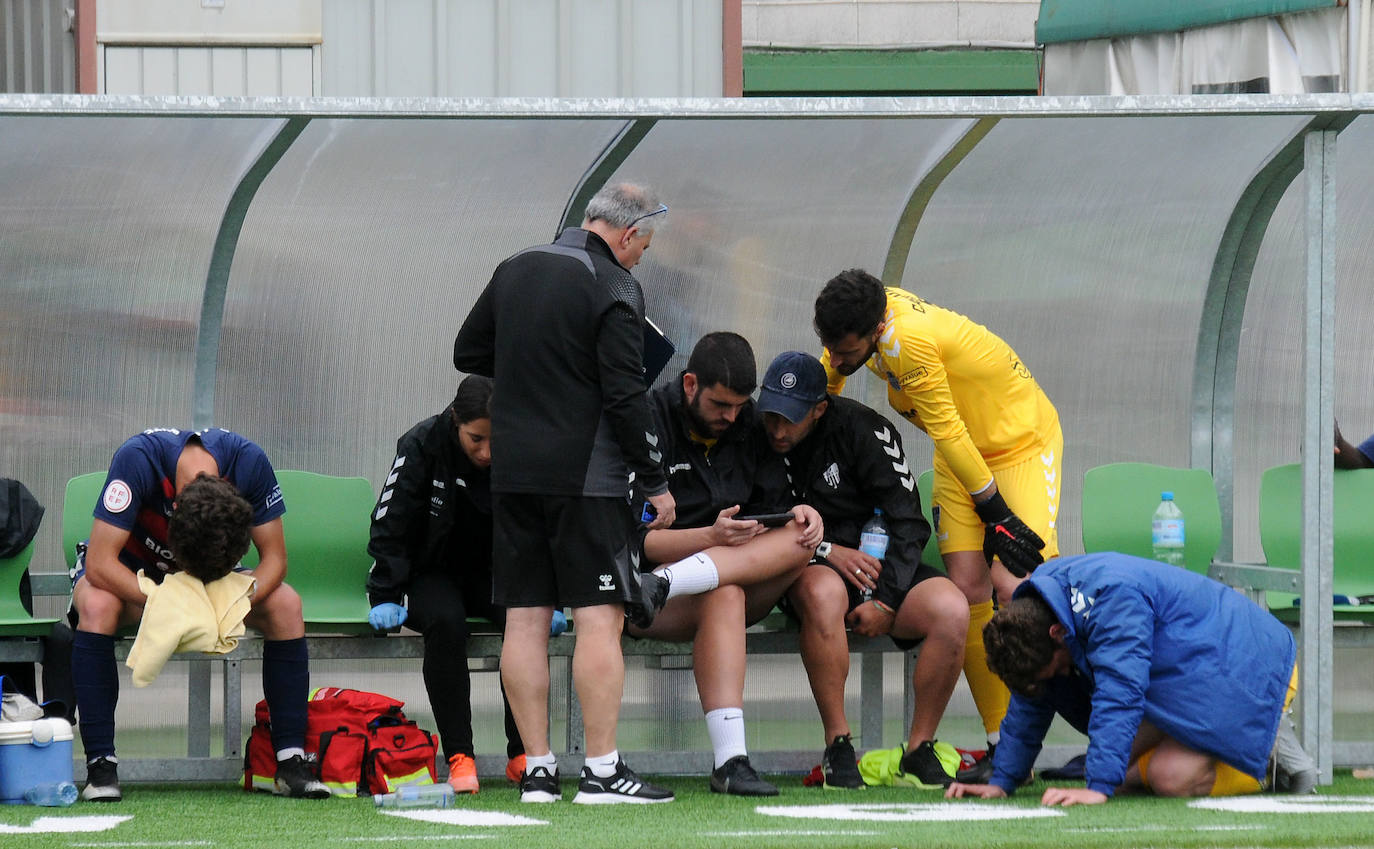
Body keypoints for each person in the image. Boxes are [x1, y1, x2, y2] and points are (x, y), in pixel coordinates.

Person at [453, 182, 677, 805]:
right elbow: (625, 395)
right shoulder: (614, 286)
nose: (640, 260)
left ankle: (541, 772)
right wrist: (656, 481)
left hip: (517, 469)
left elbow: (468, 350)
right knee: (597, 618)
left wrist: (534, 363)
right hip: (588, 475)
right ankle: (603, 771)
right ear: (628, 235)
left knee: (523, 620)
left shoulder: (516, 267)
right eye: (643, 248)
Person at [813, 268, 1063, 782]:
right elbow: (831, 376)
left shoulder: (907, 340)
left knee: (1022, 586)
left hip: (1019, 445)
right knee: (969, 586)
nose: (835, 359)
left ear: (874, 329)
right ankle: (1002, 744)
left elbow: (945, 428)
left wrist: (996, 513)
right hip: (962, 454)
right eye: (829, 346)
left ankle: (1094, 730)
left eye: (843, 349)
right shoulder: (868, 318)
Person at [71, 427, 328, 802]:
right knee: (97, 605)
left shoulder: (250, 462)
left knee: (286, 604)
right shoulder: (138, 458)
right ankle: (101, 766)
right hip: (132, 570)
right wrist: (163, 603)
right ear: (174, 510)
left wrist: (233, 602)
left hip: (212, 577)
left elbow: (275, 560)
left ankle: (291, 762)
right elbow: (99, 563)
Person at [944, 552, 1319, 806]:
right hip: (1189, 682)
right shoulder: (1044, 610)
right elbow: (1034, 699)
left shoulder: (1112, 598)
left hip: (1254, 670)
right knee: (1117, 767)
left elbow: (1121, 692)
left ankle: (1266, 758)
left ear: (1058, 633)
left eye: (1056, 668)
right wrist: (1001, 781)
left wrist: (1098, 788)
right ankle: (1242, 745)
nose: (1059, 678)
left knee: (1167, 777)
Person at [754, 351, 969, 789]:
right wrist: (828, 551)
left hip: (879, 571)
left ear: (819, 408)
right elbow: (757, 519)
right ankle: (839, 745)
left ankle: (919, 749)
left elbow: (909, 522)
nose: (777, 430)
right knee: (823, 593)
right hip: (804, 568)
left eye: (790, 419)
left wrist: (888, 601)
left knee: (952, 608)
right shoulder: (752, 436)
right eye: (772, 415)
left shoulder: (865, 430)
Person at [627, 333, 822, 797]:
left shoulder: (748, 424)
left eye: (740, 406)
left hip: (725, 573)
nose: (731, 418)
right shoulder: (646, 421)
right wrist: (710, 538)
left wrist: (797, 514)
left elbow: (776, 511)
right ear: (690, 384)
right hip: (646, 594)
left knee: (804, 532)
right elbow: (631, 544)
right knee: (725, 593)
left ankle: (681, 579)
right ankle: (731, 761)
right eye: (721, 405)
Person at [367, 375, 540, 795]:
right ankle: (460, 757)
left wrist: (544, 596)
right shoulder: (422, 443)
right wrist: (385, 593)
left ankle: (525, 755)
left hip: (494, 573)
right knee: (446, 623)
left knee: (525, 620)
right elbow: (391, 520)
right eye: (476, 439)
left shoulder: (520, 448)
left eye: (496, 441)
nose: (487, 452)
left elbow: (539, 527)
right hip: (432, 573)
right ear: (455, 419)